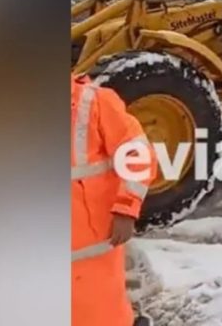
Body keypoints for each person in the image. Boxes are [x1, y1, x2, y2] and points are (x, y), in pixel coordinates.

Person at [71, 73, 157, 326]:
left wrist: (126, 208)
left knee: (100, 312)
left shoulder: (96, 102)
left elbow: (138, 154)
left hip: (91, 248)